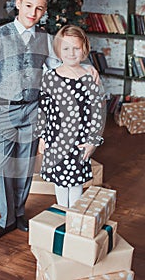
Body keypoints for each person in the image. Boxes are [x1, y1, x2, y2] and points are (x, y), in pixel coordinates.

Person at [0, 0, 98, 240]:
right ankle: (5, 218)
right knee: (3, 167)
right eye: (29, 6)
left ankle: (19, 214)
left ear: (44, 12)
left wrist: (88, 68)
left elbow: (62, 66)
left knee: (24, 165)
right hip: (6, 110)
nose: (33, 13)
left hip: (33, 109)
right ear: (18, 4)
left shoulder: (45, 39)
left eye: (39, 9)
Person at [36, 25, 105, 208]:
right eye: (66, 48)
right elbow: (43, 109)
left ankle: (73, 216)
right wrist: (42, 136)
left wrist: (92, 141)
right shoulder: (50, 78)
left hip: (79, 140)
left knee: (75, 181)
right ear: (58, 50)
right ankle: (62, 212)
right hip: (55, 138)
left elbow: (96, 113)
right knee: (59, 180)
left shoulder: (89, 78)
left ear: (84, 49)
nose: (71, 53)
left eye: (76, 48)